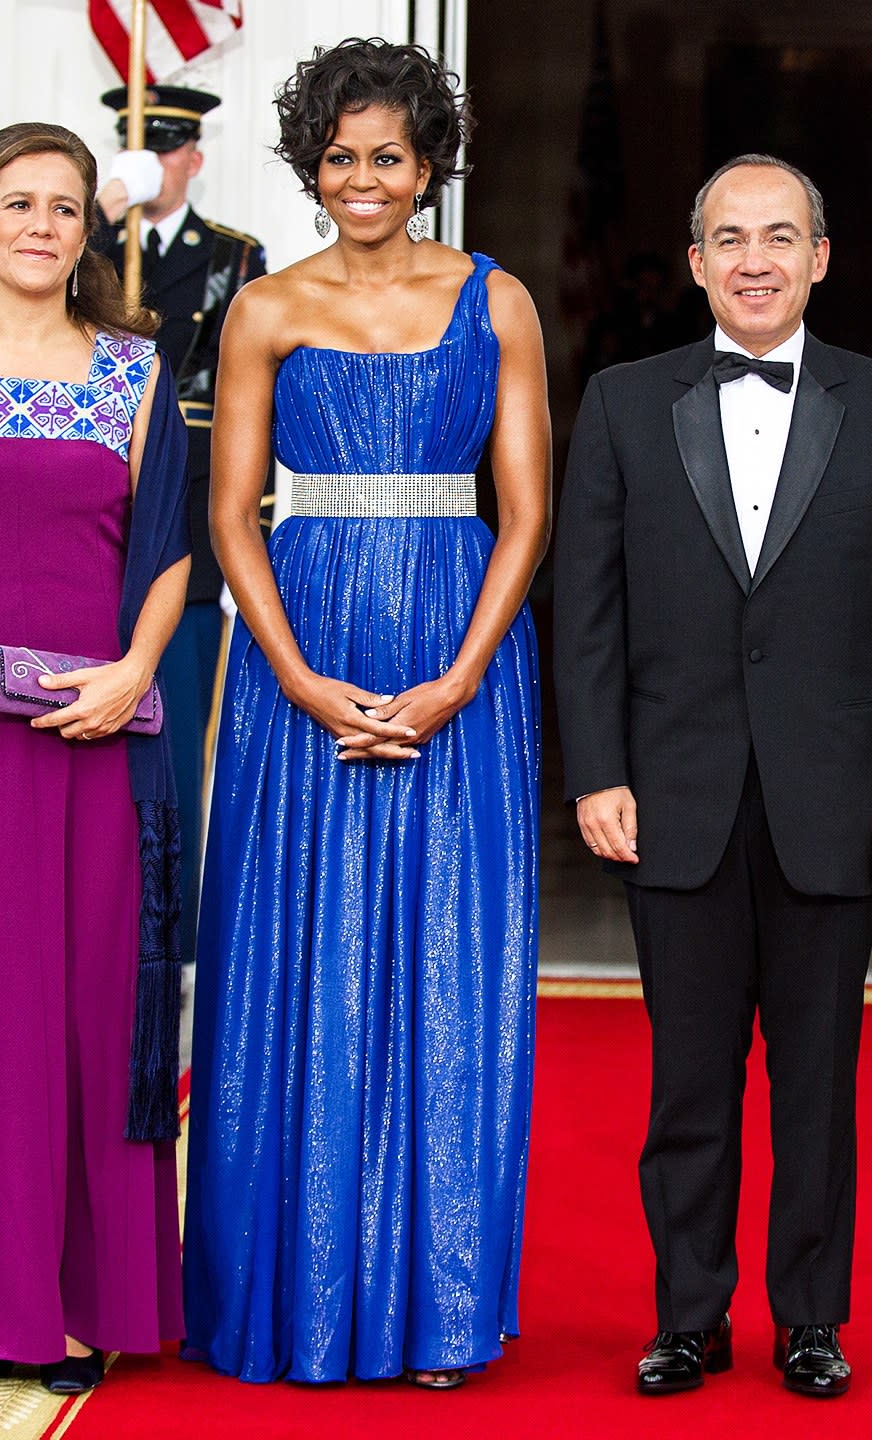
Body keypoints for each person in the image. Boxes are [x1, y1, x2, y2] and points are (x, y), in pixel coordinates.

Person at [182, 37, 551, 1387]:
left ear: (430, 162)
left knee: (448, 962)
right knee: (296, 950)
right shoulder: (265, 308)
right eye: (338, 157)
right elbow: (230, 517)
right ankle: (290, 1298)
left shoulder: (495, 300)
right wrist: (285, 671)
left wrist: (458, 677)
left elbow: (529, 511)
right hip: (303, 658)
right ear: (310, 165)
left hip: (464, 661)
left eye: (386, 155)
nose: (362, 179)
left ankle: (439, 1314)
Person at [554, 153, 872, 1399]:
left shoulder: (869, 399)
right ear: (695, 263)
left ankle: (811, 1321)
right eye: (730, 238)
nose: (755, 259)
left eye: (780, 237)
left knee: (817, 1087)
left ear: (821, 257)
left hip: (832, 800)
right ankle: (687, 1316)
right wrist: (598, 772)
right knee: (688, 1084)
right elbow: (586, 609)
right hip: (672, 798)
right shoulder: (627, 403)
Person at [0, 122, 190, 1392]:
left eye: (65, 208)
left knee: (85, 1007)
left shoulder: (134, 373)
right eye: (16, 203)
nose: (40, 224)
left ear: (91, 234)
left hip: (91, 729)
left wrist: (135, 669)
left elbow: (171, 548)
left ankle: (77, 1301)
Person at [95, 84, 268, 967]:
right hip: (89, 538)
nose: (150, 164)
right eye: (134, 148)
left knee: (173, 749)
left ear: (194, 158)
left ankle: (170, 944)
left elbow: (250, 409)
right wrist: (101, 213)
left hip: (189, 550)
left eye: (165, 149)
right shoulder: (86, 242)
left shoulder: (235, 260)